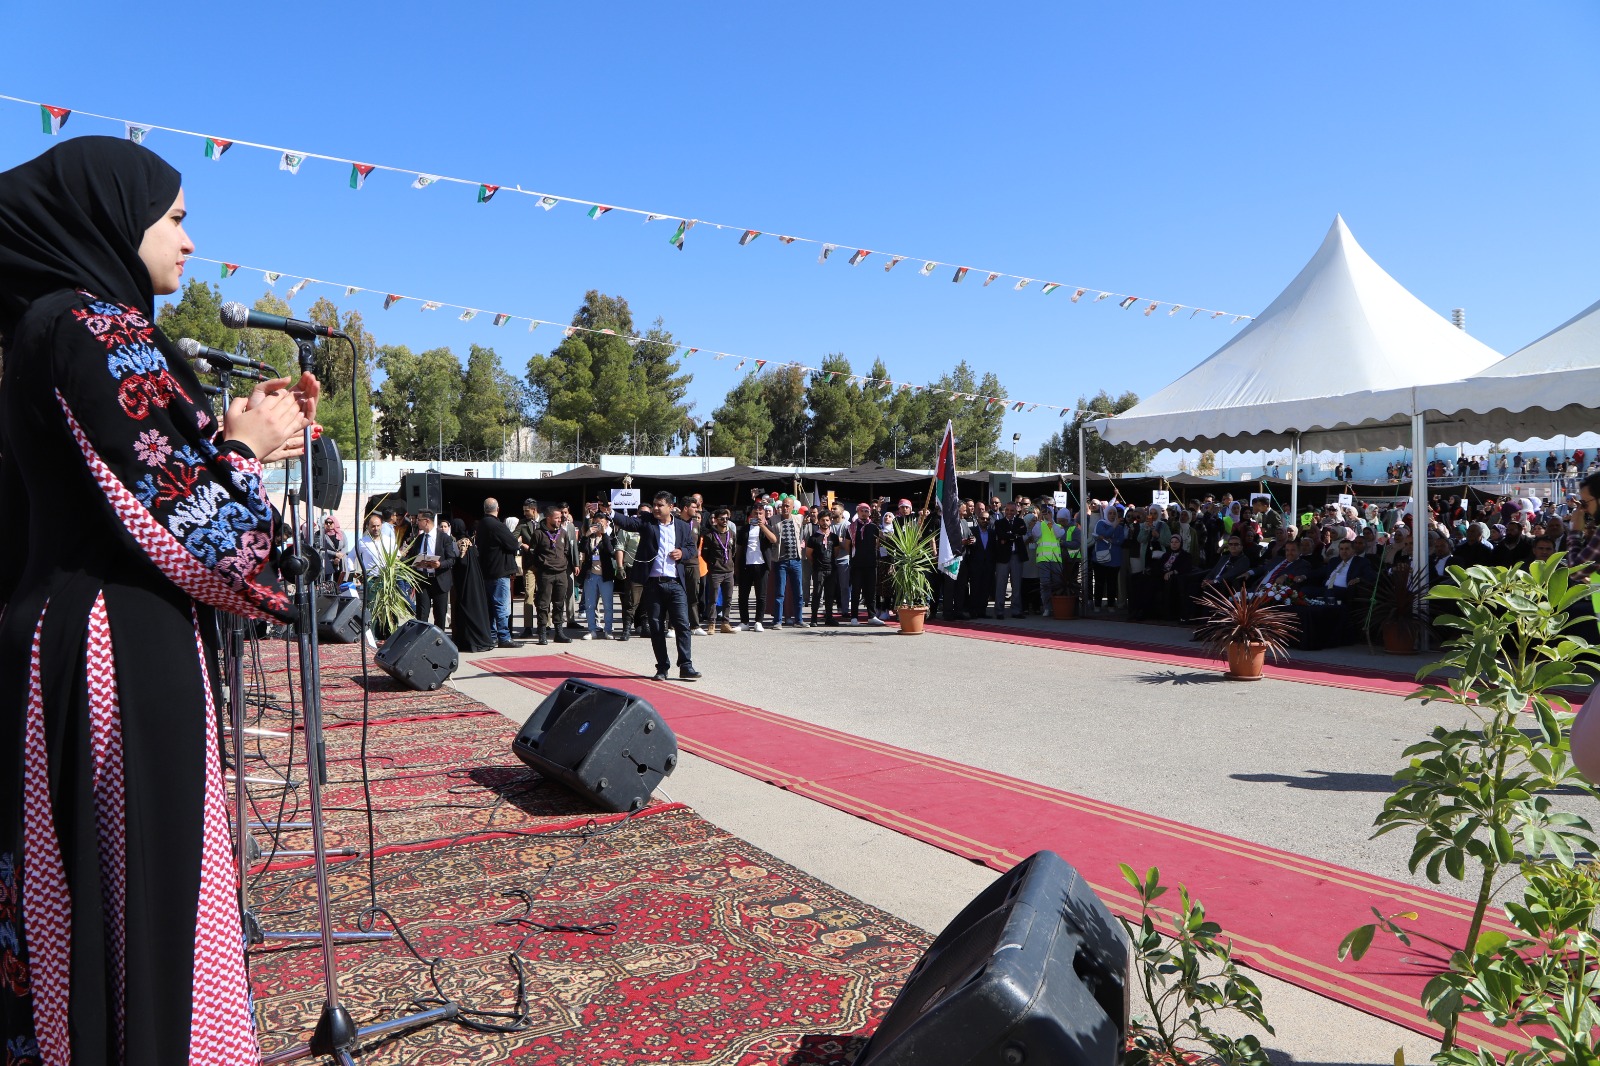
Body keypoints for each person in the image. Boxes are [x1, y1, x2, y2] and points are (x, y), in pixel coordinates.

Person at [0, 137, 317, 1062]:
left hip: (56, 637)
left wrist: (228, 437)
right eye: (173, 217)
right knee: (147, 902)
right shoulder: (96, 326)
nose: (188, 239)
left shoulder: (34, 332)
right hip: (117, 651)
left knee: (78, 899)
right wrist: (246, 451)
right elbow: (215, 539)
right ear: (109, 216)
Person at [611, 491, 701, 680]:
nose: (656, 508)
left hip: (675, 584)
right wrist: (610, 512)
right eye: (654, 504)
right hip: (653, 584)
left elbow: (691, 548)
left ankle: (686, 665)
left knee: (682, 625)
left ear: (671, 507)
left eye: (660, 505)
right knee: (656, 627)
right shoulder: (647, 521)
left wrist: (682, 553)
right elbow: (628, 523)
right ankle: (662, 667)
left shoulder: (683, 526)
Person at [527, 501, 579, 646]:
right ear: (548, 518)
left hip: (561, 573)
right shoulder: (538, 533)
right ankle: (542, 633)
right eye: (556, 518)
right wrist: (542, 565)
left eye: (560, 518)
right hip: (546, 574)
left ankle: (559, 633)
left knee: (559, 603)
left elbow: (566, 550)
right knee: (543, 604)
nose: (559, 520)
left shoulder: (563, 533)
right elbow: (532, 553)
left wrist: (565, 564)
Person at [475, 497, 522, 649]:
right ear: (498, 509)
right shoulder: (497, 525)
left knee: (490, 606)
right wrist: (518, 540)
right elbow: (513, 544)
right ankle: (504, 637)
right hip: (500, 571)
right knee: (501, 606)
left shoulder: (481, 524)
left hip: (486, 570)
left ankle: (493, 636)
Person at [403, 509, 457, 629]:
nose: (417, 522)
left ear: (426, 521)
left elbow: (452, 559)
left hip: (439, 580)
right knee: (422, 614)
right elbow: (411, 558)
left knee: (440, 614)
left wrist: (440, 564)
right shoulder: (419, 538)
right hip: (423, 581)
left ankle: (438, 639)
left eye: (419, 520)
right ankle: (421, 638)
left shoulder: (444, 538)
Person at [448, 518, 496, 652]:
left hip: (466, 584)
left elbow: (462, 562)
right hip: (474, 582)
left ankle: (471, 641)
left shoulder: (461, 543)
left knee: (467, 610)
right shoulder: (469, 541)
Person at [577, 513, 621, 639]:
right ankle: (592, 630)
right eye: (596, 523)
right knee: (590, 605)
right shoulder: (589, 537)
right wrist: (586, 535)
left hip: (605, 576)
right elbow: (581, 549)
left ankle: (608, 630)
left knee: (608, 605)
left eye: (601, 522)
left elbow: (610, 551)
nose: (598, 525)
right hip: (590, 575)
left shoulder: (610, 537)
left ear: (606, 523)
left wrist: (604, 534)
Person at [734, 503, 776, 632]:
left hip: (761, 565)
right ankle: (744, 622)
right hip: (746, 565)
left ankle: (759, 621)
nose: (757, 516)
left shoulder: (767, 528)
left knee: (761, 595)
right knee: (743, 595)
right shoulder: (745, 529)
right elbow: (739, 548)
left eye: (760, 514)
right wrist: (736, 566)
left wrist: (762, 526)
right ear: (751, 515)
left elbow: (774, 540)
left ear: (764, 515)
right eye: (755, 513)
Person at [700, 507, 738, 633]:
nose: (725, 521)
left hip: (729, 571)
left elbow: (733, 551)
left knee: (728, 598)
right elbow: (705, 554)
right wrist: (713, 563)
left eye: (727, 518)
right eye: (722, 519)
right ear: (716, 520)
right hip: (715, 571)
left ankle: (725, 623)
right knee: (713, 599)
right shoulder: (710, 535)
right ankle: (711, 623)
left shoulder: (731, 533)